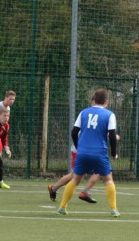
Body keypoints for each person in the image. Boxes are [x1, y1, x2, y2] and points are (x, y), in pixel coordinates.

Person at [56, 88, 120, 217]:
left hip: (82, 152)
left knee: (75, 179)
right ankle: (113, 209)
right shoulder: (109, 115)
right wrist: (114, 153)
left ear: (94, 100)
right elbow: (112, 136)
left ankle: (62, 207)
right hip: (99, 153)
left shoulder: (83, 112)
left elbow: (74, 132)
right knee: (108, 179)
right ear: (106, 102)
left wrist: (78, 147)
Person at [48, 137, 101, 204]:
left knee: (76, 175)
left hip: (86, 151)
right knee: (96, 172)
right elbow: (75, 133)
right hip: (83, 151)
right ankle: (84, 192)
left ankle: (53, 189)